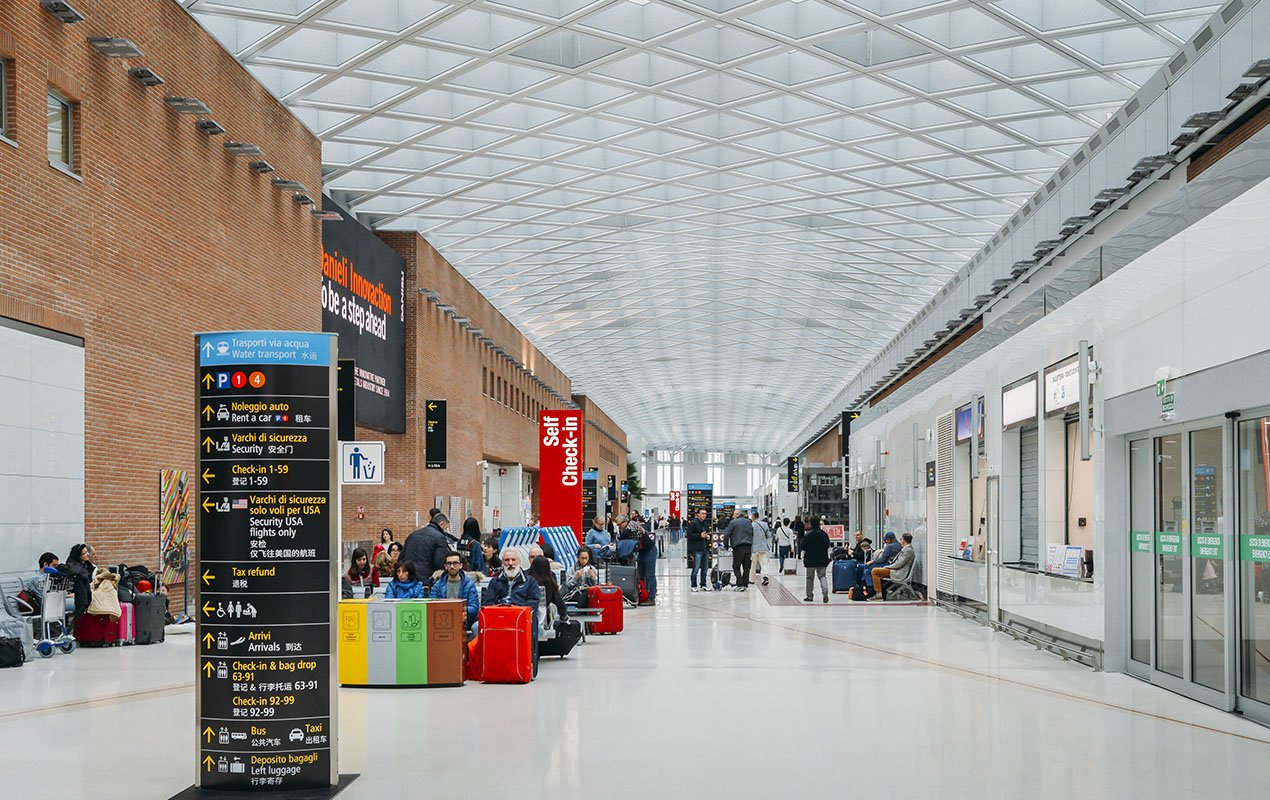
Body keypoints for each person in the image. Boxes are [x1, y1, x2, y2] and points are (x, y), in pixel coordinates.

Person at [485, 549, 543, 676]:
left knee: (536, 628)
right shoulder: (495, 582)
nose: (510, 563)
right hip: (498, 618)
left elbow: (533, 603)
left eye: (513, 560)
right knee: (476, 627)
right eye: (507, 560)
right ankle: (492, 666)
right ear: (502, 563)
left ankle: (526, 665)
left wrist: (516, 611)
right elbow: (488, 603)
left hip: (521, 619)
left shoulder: (530, 581)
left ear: (519, 561)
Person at [401, 513, 451, 590]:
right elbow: (439, 562)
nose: (446, 530)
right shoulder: (439, 537)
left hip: (408, 578)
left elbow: (401, 557)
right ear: (442, 524)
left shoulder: (413, 535)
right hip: (426, 580)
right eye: (446, 527)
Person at [430, 552, 480, 628]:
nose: (452, 566)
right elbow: (432, 605)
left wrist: (457, 610)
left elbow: (474, 608)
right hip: (442, 620)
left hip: (463, 621)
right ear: (445, 566)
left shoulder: (469, 584)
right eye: (449, 563)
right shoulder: (437, 585)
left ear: (461, 565)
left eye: (455, 563)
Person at [867, 533, 915, 601]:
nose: (900, 540)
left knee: (875, 571)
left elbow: (899, 564)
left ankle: (878, 594)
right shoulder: (905, 549)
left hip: (899, 572)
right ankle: (878, 593)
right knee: (876, 570)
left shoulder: (908, 550)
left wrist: (887, 567)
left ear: (904, 540)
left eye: (901, 539)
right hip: (896, 570)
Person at [801, 518, 831, 603]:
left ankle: (809, 596)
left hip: (810, 560)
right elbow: (828, 545)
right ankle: (825, 591)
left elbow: (803, 547)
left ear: (811, 524)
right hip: (822, 559)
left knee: (810, 578)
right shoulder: (824, 534)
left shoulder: (808, 535)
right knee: (822, 576)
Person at [724, 510, 754, 591]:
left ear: (737, 515)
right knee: (746, 567)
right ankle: (745, 584)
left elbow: (727, 534)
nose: (733, 516)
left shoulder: (733, 522)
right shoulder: (749, 522)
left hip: (738, 547)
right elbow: (752, 533)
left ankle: (740, 584)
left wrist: (726, 545)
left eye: (734, 514)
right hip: (748, 546)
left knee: (736, 566)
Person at [685, 508, 712, 592]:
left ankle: (703, 584)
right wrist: (700, 535)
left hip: (705, 548)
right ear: (698, 514)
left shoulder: (705, 524)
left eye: (705, 514)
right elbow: (689, 535)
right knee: (696, 568)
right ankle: (693, 585)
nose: (704, 515)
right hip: (697, 549)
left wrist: (708, 536)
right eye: (702, 513)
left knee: (705, 568)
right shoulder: (693, 523)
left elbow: (707, 533)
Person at [636, 511, 658, 605]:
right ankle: (642, 595)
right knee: (640, 575)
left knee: (650, 575)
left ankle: (651, 597)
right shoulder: (627, 530)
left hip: (650, 551)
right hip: (642, 552)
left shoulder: (635, 529)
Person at [750, 511, 771, 587]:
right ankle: (765, 577)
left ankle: (751, 579)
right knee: (764, 563)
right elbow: (768, 536)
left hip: (754, 548)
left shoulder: (751, 525)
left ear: (753, 517)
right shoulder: (765, 524)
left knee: (753, 564)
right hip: (763, 547)